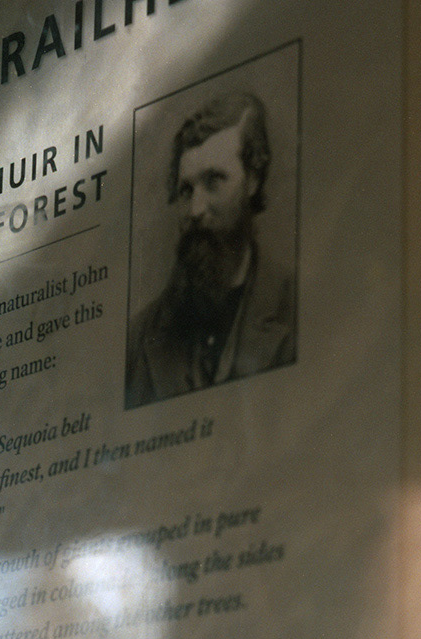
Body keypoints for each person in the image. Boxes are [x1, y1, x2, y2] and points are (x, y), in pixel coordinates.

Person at [126, 91, 295, 408]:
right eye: (186, 190)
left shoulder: (296, 307)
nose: (195, 209)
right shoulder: (140, 337)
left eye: (214, 181)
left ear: (253, 180)